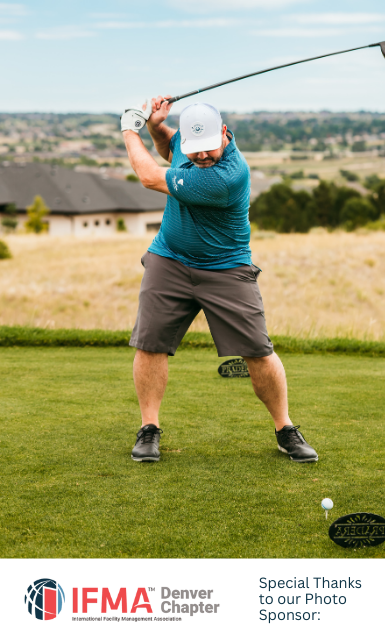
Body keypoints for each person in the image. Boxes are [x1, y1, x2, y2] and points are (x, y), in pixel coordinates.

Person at [120, 96, 318, 464]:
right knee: (149, 343)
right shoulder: (191, 144)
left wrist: (129, 130)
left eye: (208, 149)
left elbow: (150, 176)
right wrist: (155, 127)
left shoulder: (227, 175)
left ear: (224, 133)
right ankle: (149, 428)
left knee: (258, 351)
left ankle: (285, 428)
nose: (201, 157)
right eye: (194, 150)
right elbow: (170, 149)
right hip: (170, 258)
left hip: (226, 267)